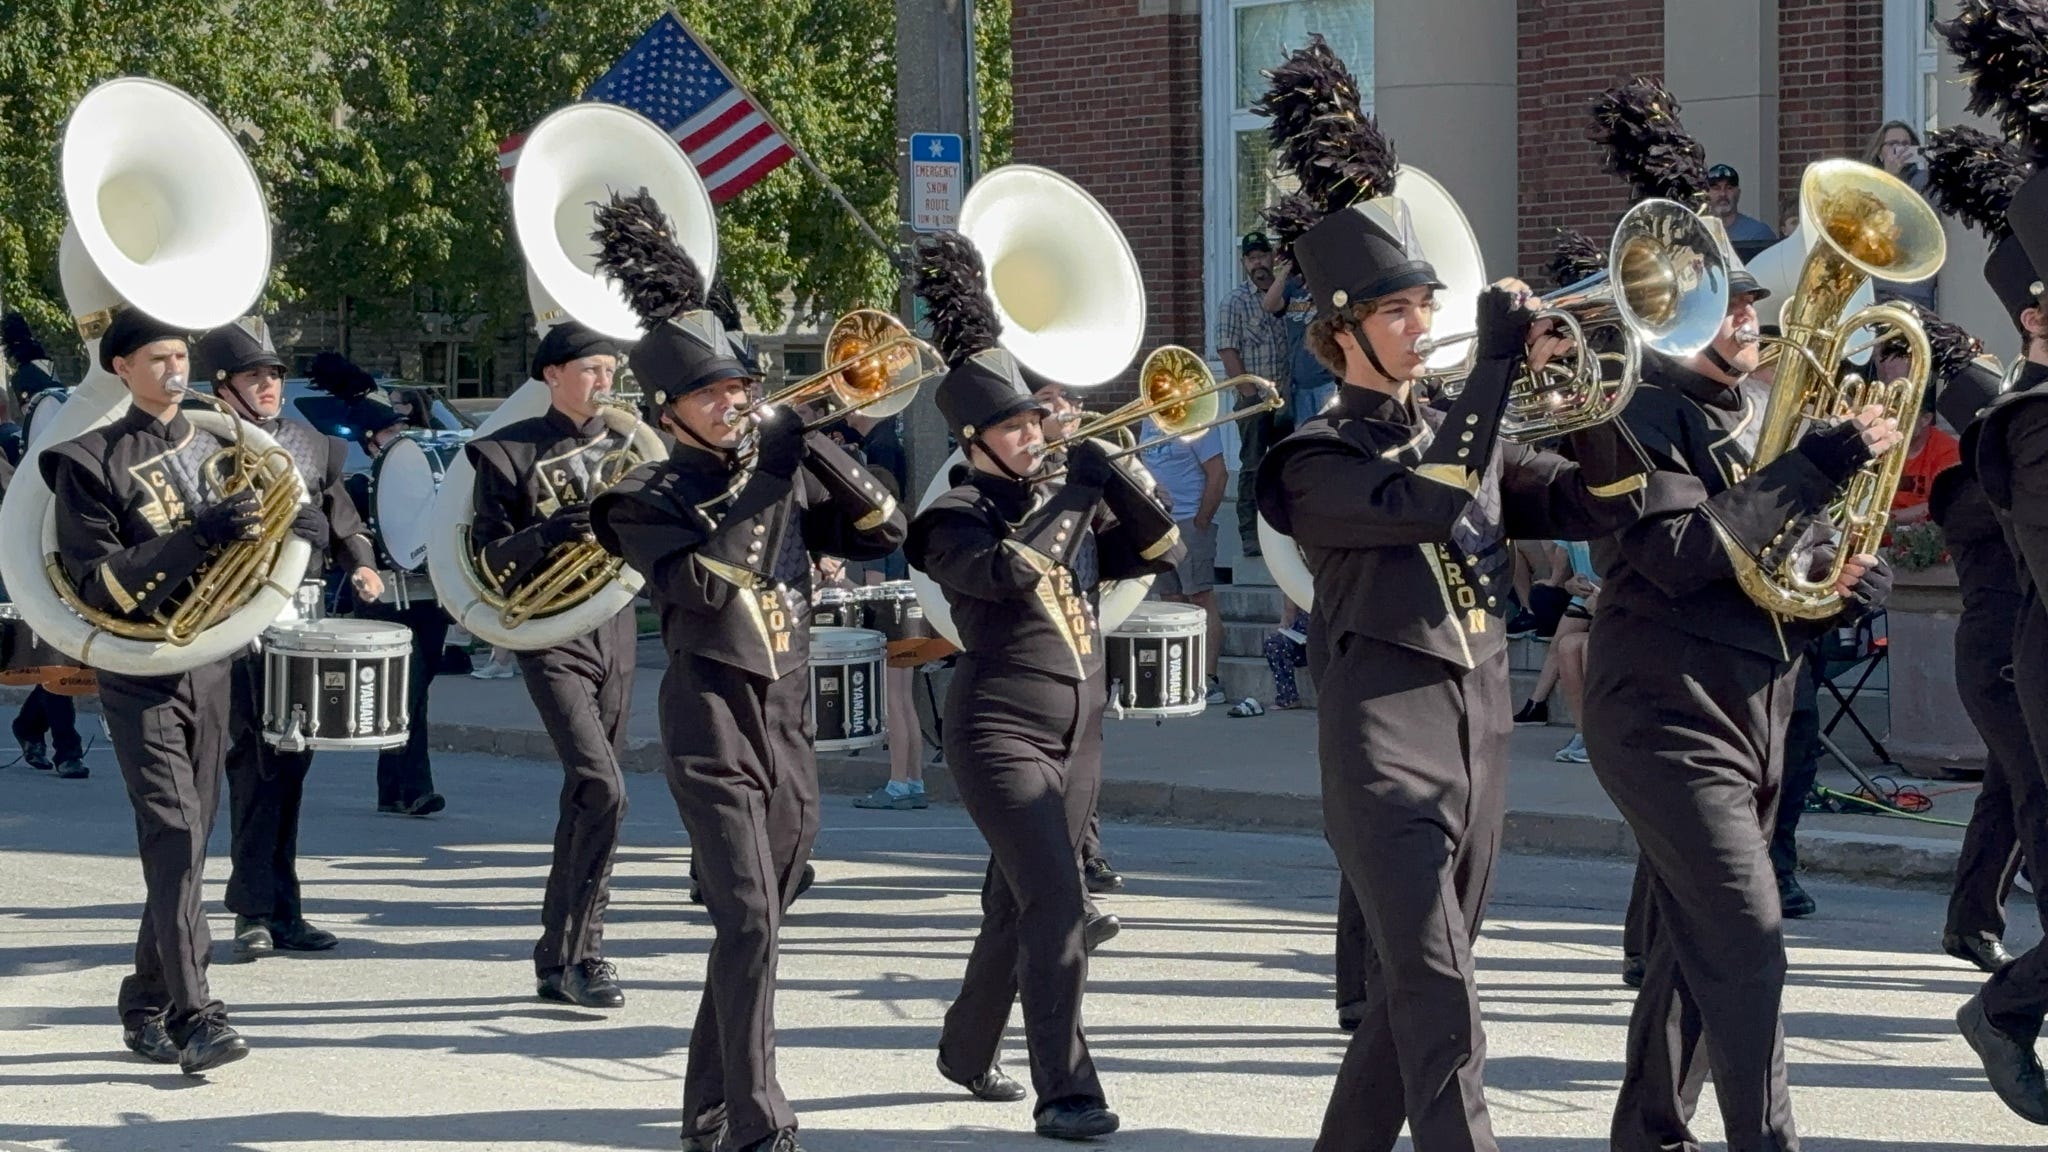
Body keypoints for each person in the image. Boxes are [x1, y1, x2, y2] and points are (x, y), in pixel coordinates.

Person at [1253, 42, 1648, 1146]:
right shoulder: (1309, 457)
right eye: (1397, 313)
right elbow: (1422, 507)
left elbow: (1605, 502)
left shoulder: (1459, 435)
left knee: (1414, 999)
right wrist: (1489, 372)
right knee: (1440, 1002)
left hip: (1477, 731)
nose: (1422, 326)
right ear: (1338, 333)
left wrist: (1573, 384)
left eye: (1426, 305)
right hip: (1383, 741)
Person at [588, 191, 905, 1152]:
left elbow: (884, 528)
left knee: (759, 923)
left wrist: (814, 437)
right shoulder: (638, 496)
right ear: (666, 410)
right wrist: (765, 464)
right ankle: (760, 1118)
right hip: (712, 719)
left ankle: (707, 1103)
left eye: (741, 387)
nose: (735, 401)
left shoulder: (784, 454)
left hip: (789, 717)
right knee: (751, 922)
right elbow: (700, 582)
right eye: (713, 393)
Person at [1581, 227, 1899, 1148]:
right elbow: (1680, 557)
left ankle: (1648, 1132)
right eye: (1734, 305)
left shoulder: (1759, 412)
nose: (1755, 319)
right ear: (1674, 320)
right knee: (1749, 945)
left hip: (1757, 707)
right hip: (1663, 714)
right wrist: (1817, 466)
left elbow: (1772, 583)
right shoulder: (1631, 417)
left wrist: (1841, 593)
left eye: (1756, 301)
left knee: (1694, 947)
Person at [905, 228, 1183, 1143]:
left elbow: (1157, 549)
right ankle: (1066, 1090)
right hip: (997, 733)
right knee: (1058, 905)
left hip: (1082, 735)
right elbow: (1011, 575)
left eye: (1038, 421)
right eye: (1017, 426)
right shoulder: (950, 517)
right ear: (973, 439)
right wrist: (1071, 492)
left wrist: (1113, 470)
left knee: (1014, 905)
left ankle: (963, 1045)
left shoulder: (1064, 491)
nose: (1035, 435)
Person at [42, 307, 329, 1074]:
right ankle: (196, 1014)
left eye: (181, 356)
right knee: (174, 836)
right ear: (121, 368)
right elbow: (98, 581)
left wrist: (306, 529)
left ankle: (143, 998)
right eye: (158, 358)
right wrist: (197, 535)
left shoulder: (221, 445)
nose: (176, 370)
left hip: (212, 661)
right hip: (139, 666)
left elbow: (271, 535)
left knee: (190, 847)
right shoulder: (87, 459)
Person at [193, 319, 384, 962]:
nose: (269, 384)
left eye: (274, 374)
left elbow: (343, 522)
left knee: (291, 767)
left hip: (297, 621)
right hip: (232, 621)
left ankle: (284, 909)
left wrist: (359, 560)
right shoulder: (199, 445)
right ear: (224, 387)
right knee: (252, 765)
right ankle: (253, 911)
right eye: (255, 375)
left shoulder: (313, 445)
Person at [465, 320, 639, 1009]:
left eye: (610, 370)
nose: (605, 382)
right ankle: (585, 954)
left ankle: (561, 952)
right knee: (604, 786)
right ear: (552, 376)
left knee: (592, 795)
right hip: (551, 634)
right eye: (592, 370)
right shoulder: (506, 454)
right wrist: (550, 532)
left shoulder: (634, 449)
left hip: (616, 627)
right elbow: (485, 563)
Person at [1928, 335, 2035, 975]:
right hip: (2000, 657)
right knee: (2035, 789)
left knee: (2006, 790)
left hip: (2014, 650)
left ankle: (1971, 923)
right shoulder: (1977, 492)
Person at [343, 398, 448, 818]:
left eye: (402, 429)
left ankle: (390, 789)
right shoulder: (356, 488)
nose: (399, 436)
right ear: (371, 444)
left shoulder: (426, 489)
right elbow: (349, 542)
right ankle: (416, 788)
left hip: (427, 599)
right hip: (384, 599)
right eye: (389, 432)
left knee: (412, 693)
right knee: (408, 691)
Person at [1137, 413, 1228, 706]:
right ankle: (1179, 678)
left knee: (1200, 598)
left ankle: (1210, 679)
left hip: (1190, 521)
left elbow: (1218, 472)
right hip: (1159, 521)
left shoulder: (1197, 419)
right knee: (1171, 601)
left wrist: (1202, 519)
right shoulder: (1147, 421)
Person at [1218, 231, 1297, 557]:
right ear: (1243, 263)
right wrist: (1249, 394)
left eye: (1263, 256)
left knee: (1286, 467)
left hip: (1287, 399)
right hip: (1255, 400)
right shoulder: (1234, 302)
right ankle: (1250, 535)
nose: (1258, 263)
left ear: (1272, 258)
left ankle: (1284, 535)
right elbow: (1226, 350)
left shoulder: (1288, 295)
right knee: (1252, 466)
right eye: (1252, 259)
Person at [1866, 120, 1939, 312]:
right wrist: (1890, 176)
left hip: (1914, 287)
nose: (1900, 148)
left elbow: (1915, 224)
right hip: (1877, 286)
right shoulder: (1869, 184)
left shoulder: (1923, 181)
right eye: (1893, 144)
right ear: (1880, 152)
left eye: (1906, 144)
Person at [1703, 163, 1780, 262]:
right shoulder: (1696, 232)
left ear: (1738, 193)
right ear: (1706, 194)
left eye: (1729, 188)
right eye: (1716, 188)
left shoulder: (1758, 233)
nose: (1723, 194)